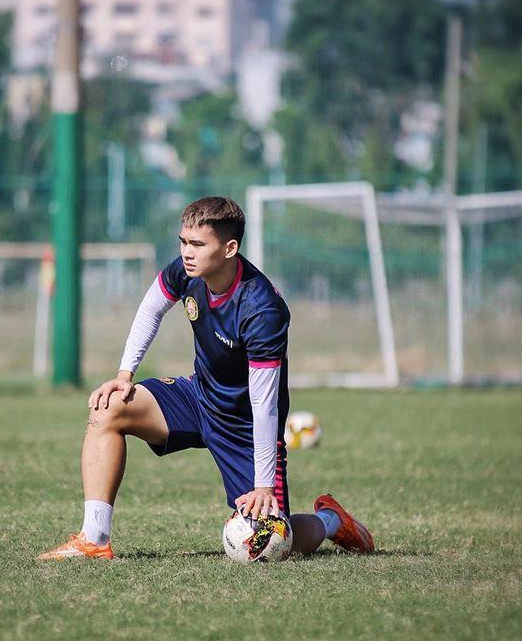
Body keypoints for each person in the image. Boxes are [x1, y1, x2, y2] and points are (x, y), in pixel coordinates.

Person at [37, 197, 374, 560]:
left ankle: (330, 520)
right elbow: (152, 308)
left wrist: (263, 485)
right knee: (108, 409)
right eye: (183, 241)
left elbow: (264, 403)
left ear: (230, 248)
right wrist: (124, 375)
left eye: (198, 244)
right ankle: (94, 540)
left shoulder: (262, 310)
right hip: (199, 397)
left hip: (245, 427)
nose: (186, 252)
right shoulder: (188, 272)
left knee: (273, 541)